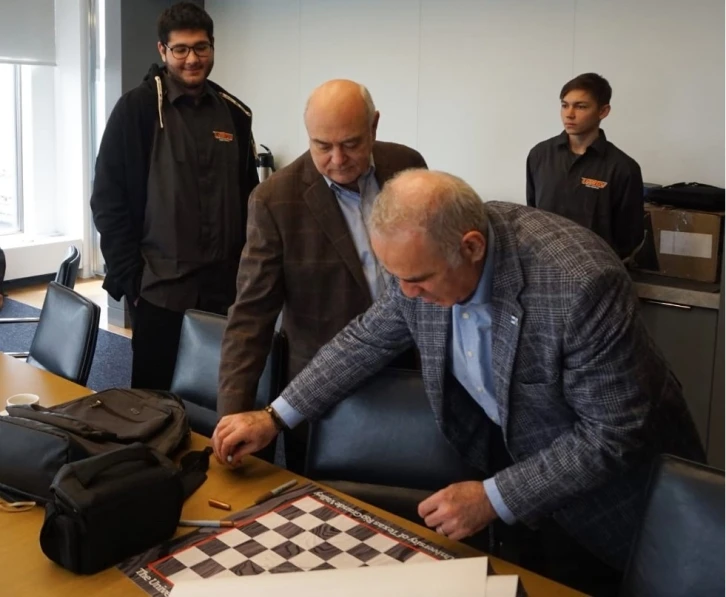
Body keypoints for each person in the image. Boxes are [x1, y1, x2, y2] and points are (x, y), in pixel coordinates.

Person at [212, 169, 704, 596]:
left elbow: (612, 434)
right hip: (521, 482)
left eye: (418, 280)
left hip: (620, 503)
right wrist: (275, 415)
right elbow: (362, 341)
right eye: (396, 278)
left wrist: (493, 497)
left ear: (471, 247)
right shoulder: (420, 265)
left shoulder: (580, 285)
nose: (406, 294)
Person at [216, 79, 427, 471]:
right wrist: (233, 416)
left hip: (411, 371)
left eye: (351, 143)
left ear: (374, 126)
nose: (338, 159)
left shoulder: (406, 166)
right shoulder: (275, 200)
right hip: (322, 389)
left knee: (413, 488)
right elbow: (250, 317)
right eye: (322, 146)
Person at [90, 2, 258, 390]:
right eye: (180, 49)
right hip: (159, 292)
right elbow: (107, 201)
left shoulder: (235, 114)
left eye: (200, 47)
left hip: (223, 294)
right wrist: (132, 280)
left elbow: (250, 201)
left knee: (219, 396)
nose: (192, 58)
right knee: (153, 401)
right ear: (162, 50)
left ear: (212, 46)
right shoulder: (137, 109)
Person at [526, 73, 644, 261]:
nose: (569, 114)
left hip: (597, 268)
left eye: (581, 106)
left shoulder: (623, 168)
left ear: (603, 111)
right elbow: (533, 214)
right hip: (544, 264)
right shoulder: (539, 155)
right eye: (565, 105)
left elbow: (629, 237)